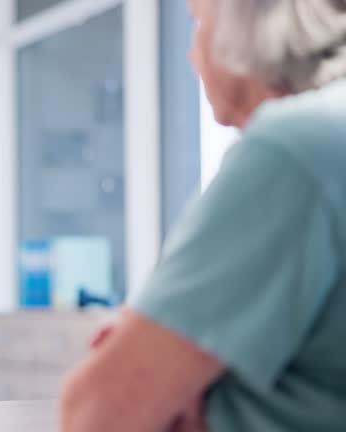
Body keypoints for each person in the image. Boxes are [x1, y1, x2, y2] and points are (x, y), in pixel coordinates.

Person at [60, 0, 346, 430]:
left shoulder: (295, 146)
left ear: (249, 23)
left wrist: (190, 395)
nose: (192, 53)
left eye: (198, 22)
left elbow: (94, 414)